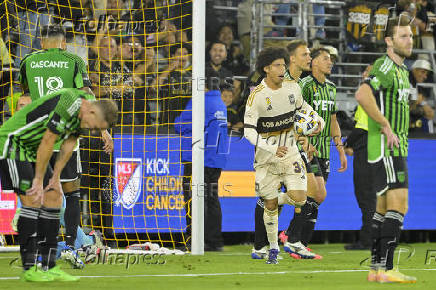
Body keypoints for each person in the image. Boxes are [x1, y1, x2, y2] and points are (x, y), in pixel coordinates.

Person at [0, 88, 118, 282]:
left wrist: (55, 177)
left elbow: (69, 142)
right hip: (13, 143)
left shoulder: (87, 112)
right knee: (32, 199)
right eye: (95, 125)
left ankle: (48, 265)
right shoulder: (69, 103)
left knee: (55, 198)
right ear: (93, 111)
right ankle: (30, 267)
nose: (93, 129)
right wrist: (39, 179)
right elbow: (49, 139)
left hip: (32, 147)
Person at [19, 25, 113, 251]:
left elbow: (25, 99)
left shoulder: (27, 62)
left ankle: (43, 246)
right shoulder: (74, 61)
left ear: (41, 43)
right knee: (72, 193)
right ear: (64, 43)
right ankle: (73, 246)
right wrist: (103, 130)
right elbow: (88, 96)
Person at [244, 47, 323, 264]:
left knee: (302, 197)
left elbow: (305, 111)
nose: (282, 69)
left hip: (290, 153)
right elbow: (248, 130)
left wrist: (317, 124)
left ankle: (290, 239)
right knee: (271, 203)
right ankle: (265, 243)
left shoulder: (294, 88)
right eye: (278, 65)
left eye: (283, 65)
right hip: (267, 156)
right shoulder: (257, 97)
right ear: (267, 69)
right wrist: (270, 147)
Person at [355, 16, 417, 283]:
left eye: (411, 35)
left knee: (382, 209)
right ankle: (388, 268)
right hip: (389, 147)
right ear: (389, 41)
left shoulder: (403, 71)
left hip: (393, 146)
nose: (410, 40)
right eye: (403, 36)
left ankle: (377, 269)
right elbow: (362, 94)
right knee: (399, 205)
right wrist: (385, 125)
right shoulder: (386, 66)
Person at [283, 47, 347, 252]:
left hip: (324, 151)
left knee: (317, 197)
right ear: (315, 63)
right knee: (317, 193)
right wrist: (303, 142)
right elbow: (293, 116)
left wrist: (340, 149)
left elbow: (333, 120)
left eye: (332, 60)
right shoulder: (305, 85)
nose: (330, 63)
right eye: (326, 59)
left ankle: (299, 242)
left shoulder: (331, 87)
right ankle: (293, 238)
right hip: (306, 149)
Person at [175, 75, 229, 252]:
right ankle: (215, 241)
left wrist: (178, 122)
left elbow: (182, 124)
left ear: (203, 86)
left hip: (199, 158)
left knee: (194, 199)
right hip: (216, 159)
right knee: (212, 199)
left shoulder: (200, 101)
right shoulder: (220, 103)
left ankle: (195, 239)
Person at [344, 65, 376, 251]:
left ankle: (367, 240)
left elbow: (362, 126)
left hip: (366, 146)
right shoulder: (382, 93)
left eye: (367, 72)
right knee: (372, 196)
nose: (364, 74)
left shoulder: (367, 91)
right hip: (377, 147)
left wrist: (348, 144)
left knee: (365, 195)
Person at [409, 59, 434, 133]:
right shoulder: (406, 80)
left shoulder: (414, 83)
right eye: (422, 72)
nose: (425, 76)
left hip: (409, 113)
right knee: (427, 113)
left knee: (429, 112)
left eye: (426, 74)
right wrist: (417, 102)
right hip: (398, 117)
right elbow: (405, 107)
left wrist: (422, 103)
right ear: (414, 70)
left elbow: (419, 99)